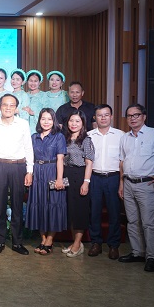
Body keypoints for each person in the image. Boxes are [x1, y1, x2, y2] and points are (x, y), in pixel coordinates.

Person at [118, 103, 154, 272]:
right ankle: (137, 253)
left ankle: (152, 257)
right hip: (128, 183)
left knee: (149, 223)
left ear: (144, 116)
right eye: (129, 116)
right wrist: (121, 183)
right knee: (132, 221)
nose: (133, 118)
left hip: (146, 184)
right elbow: (122, 161)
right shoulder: (125, 137)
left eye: (136, 115)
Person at [0, 94, 34, 255]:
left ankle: (17, 242)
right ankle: (0, 241)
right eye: (5, 105)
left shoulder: (23, 124)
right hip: (0, 166)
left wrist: (29, 171)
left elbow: (28, 148)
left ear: (16, 108)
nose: (8, 108)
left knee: (17, 206)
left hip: (18, 167)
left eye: (12, 105)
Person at [25, 108, 67, 255]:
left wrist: (59, 179)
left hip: (52, 171)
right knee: (39, 205)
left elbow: (60, 159)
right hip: (37, 172)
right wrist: (29, 173)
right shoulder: (34, 137)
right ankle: (42, 239)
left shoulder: (59, 137)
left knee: (54, 205)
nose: (46, 122)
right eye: (43, 119)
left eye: (49, 119)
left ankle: (49, 240)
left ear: (53, 121)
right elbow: (29, 158)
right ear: (39, 120)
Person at [87, 104, 124, 259]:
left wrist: (121, 182)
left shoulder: (121, 135)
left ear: (111, 116)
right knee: (94, 212)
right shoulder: (89, 135)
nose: (103, 118)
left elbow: (122, 161)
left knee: (114, 212)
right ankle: (96, 243)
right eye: (100, 115)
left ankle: (113, 245)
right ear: (95, 117)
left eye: (106, 115)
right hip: (95, 177)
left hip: (113, 177)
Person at [61, 110, 95, 258]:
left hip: (80, 175)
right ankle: (75, 242)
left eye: (77, 121)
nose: (73, 124)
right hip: (66, 174)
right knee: (70, 210)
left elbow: (89, 163)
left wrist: (86, 182)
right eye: (71, 121)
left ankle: (77, 244)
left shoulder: (86, 140)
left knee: (79, 211)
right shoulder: (65, 138)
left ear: (83, 123)